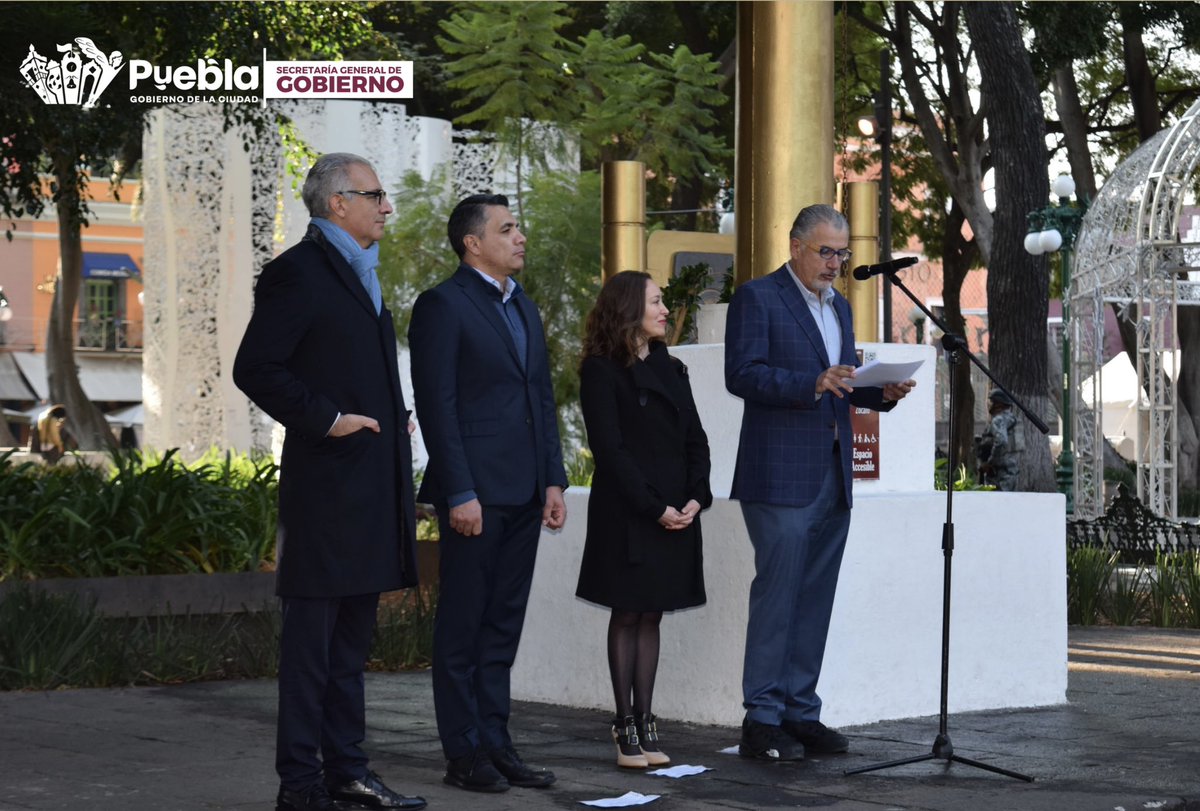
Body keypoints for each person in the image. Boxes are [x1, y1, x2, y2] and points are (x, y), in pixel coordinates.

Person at [233, 153, 426, 811]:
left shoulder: (361, 272)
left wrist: (388, 414)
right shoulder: (297, 273)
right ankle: (301, 784)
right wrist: (330, 419)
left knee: (349, 650)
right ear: (338, 201)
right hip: (325, 495)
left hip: (369, 490)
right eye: (375, 194)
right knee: (310, 654)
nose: (386, 205)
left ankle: (349, 773)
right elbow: (256, 367)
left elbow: (346, 364)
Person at [725, 204, 915, 762]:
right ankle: (761, 720)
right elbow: (743, 374)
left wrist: (878, 393)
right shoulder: (758, 297)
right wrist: (812, 381)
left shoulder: (840, 308)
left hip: (834, 471)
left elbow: (842, 383)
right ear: (796, 246)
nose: (835, 263)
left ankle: (800, 713)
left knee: (814, 598)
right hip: (779, 473)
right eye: (826, 252)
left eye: (843, 253)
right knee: (778, 595)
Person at [408, 193, 568, 794]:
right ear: (473, 243)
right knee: (462, 628)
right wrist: (460, 491)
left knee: (502, 626)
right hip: (474, 495)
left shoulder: (522, 305)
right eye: (507, 228)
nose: (520, 236)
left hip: (526, 490)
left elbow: (541, 399)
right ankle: (463, 753)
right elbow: (437, 406)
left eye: (519, 226)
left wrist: (553, 479)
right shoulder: (442, 306)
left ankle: (497, 743)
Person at [575, 271, 712, 770]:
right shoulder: (600, 370)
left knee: (652, 613)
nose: (663, 309)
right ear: (629, 308)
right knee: (628, 612)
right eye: (655, 301)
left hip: (676, 511)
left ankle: (647, 720)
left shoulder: (671, 367)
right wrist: (655, 507)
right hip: (630, 514)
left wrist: (696, 499)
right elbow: (610, 452)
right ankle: (624, 723)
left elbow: (696, 440)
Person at [977, 389, 1022, 491]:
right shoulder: (1012, 419)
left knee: (996, 504)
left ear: (998, 404)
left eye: (991, 401)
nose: (988, 405)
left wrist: (989, 463)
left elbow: (1001, 441)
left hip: (999, 473)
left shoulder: (998, 420)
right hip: (1011, 471)